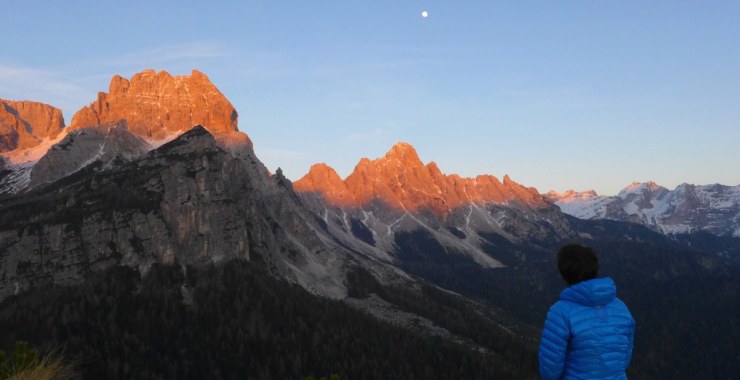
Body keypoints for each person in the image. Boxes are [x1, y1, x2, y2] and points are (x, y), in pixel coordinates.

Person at [539, 243, 635, 380]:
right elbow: (625, 356)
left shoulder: (559, 312)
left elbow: (550, 369)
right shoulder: (621, 307)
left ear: (563, 273)